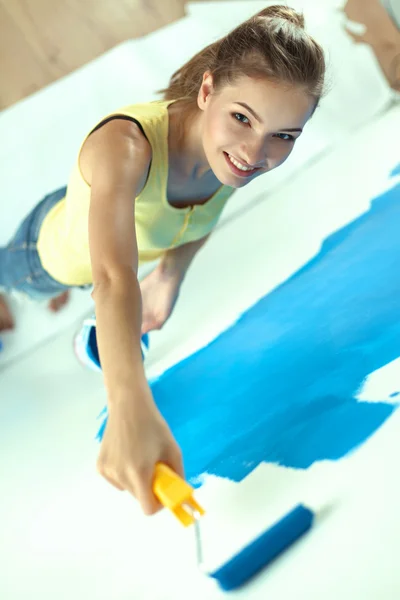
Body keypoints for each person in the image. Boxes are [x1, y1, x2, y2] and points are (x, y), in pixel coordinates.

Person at [0, 5, 325, 514]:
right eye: (242, 118)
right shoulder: (125, 145)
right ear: (206, 90)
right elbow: (111, 277)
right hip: (46, 256)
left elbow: (204, 214)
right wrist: (130, 405)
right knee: (18, 277)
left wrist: (170, 276)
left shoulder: (235, 159)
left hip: (111, 237)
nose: (254, 152)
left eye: (284, 136)